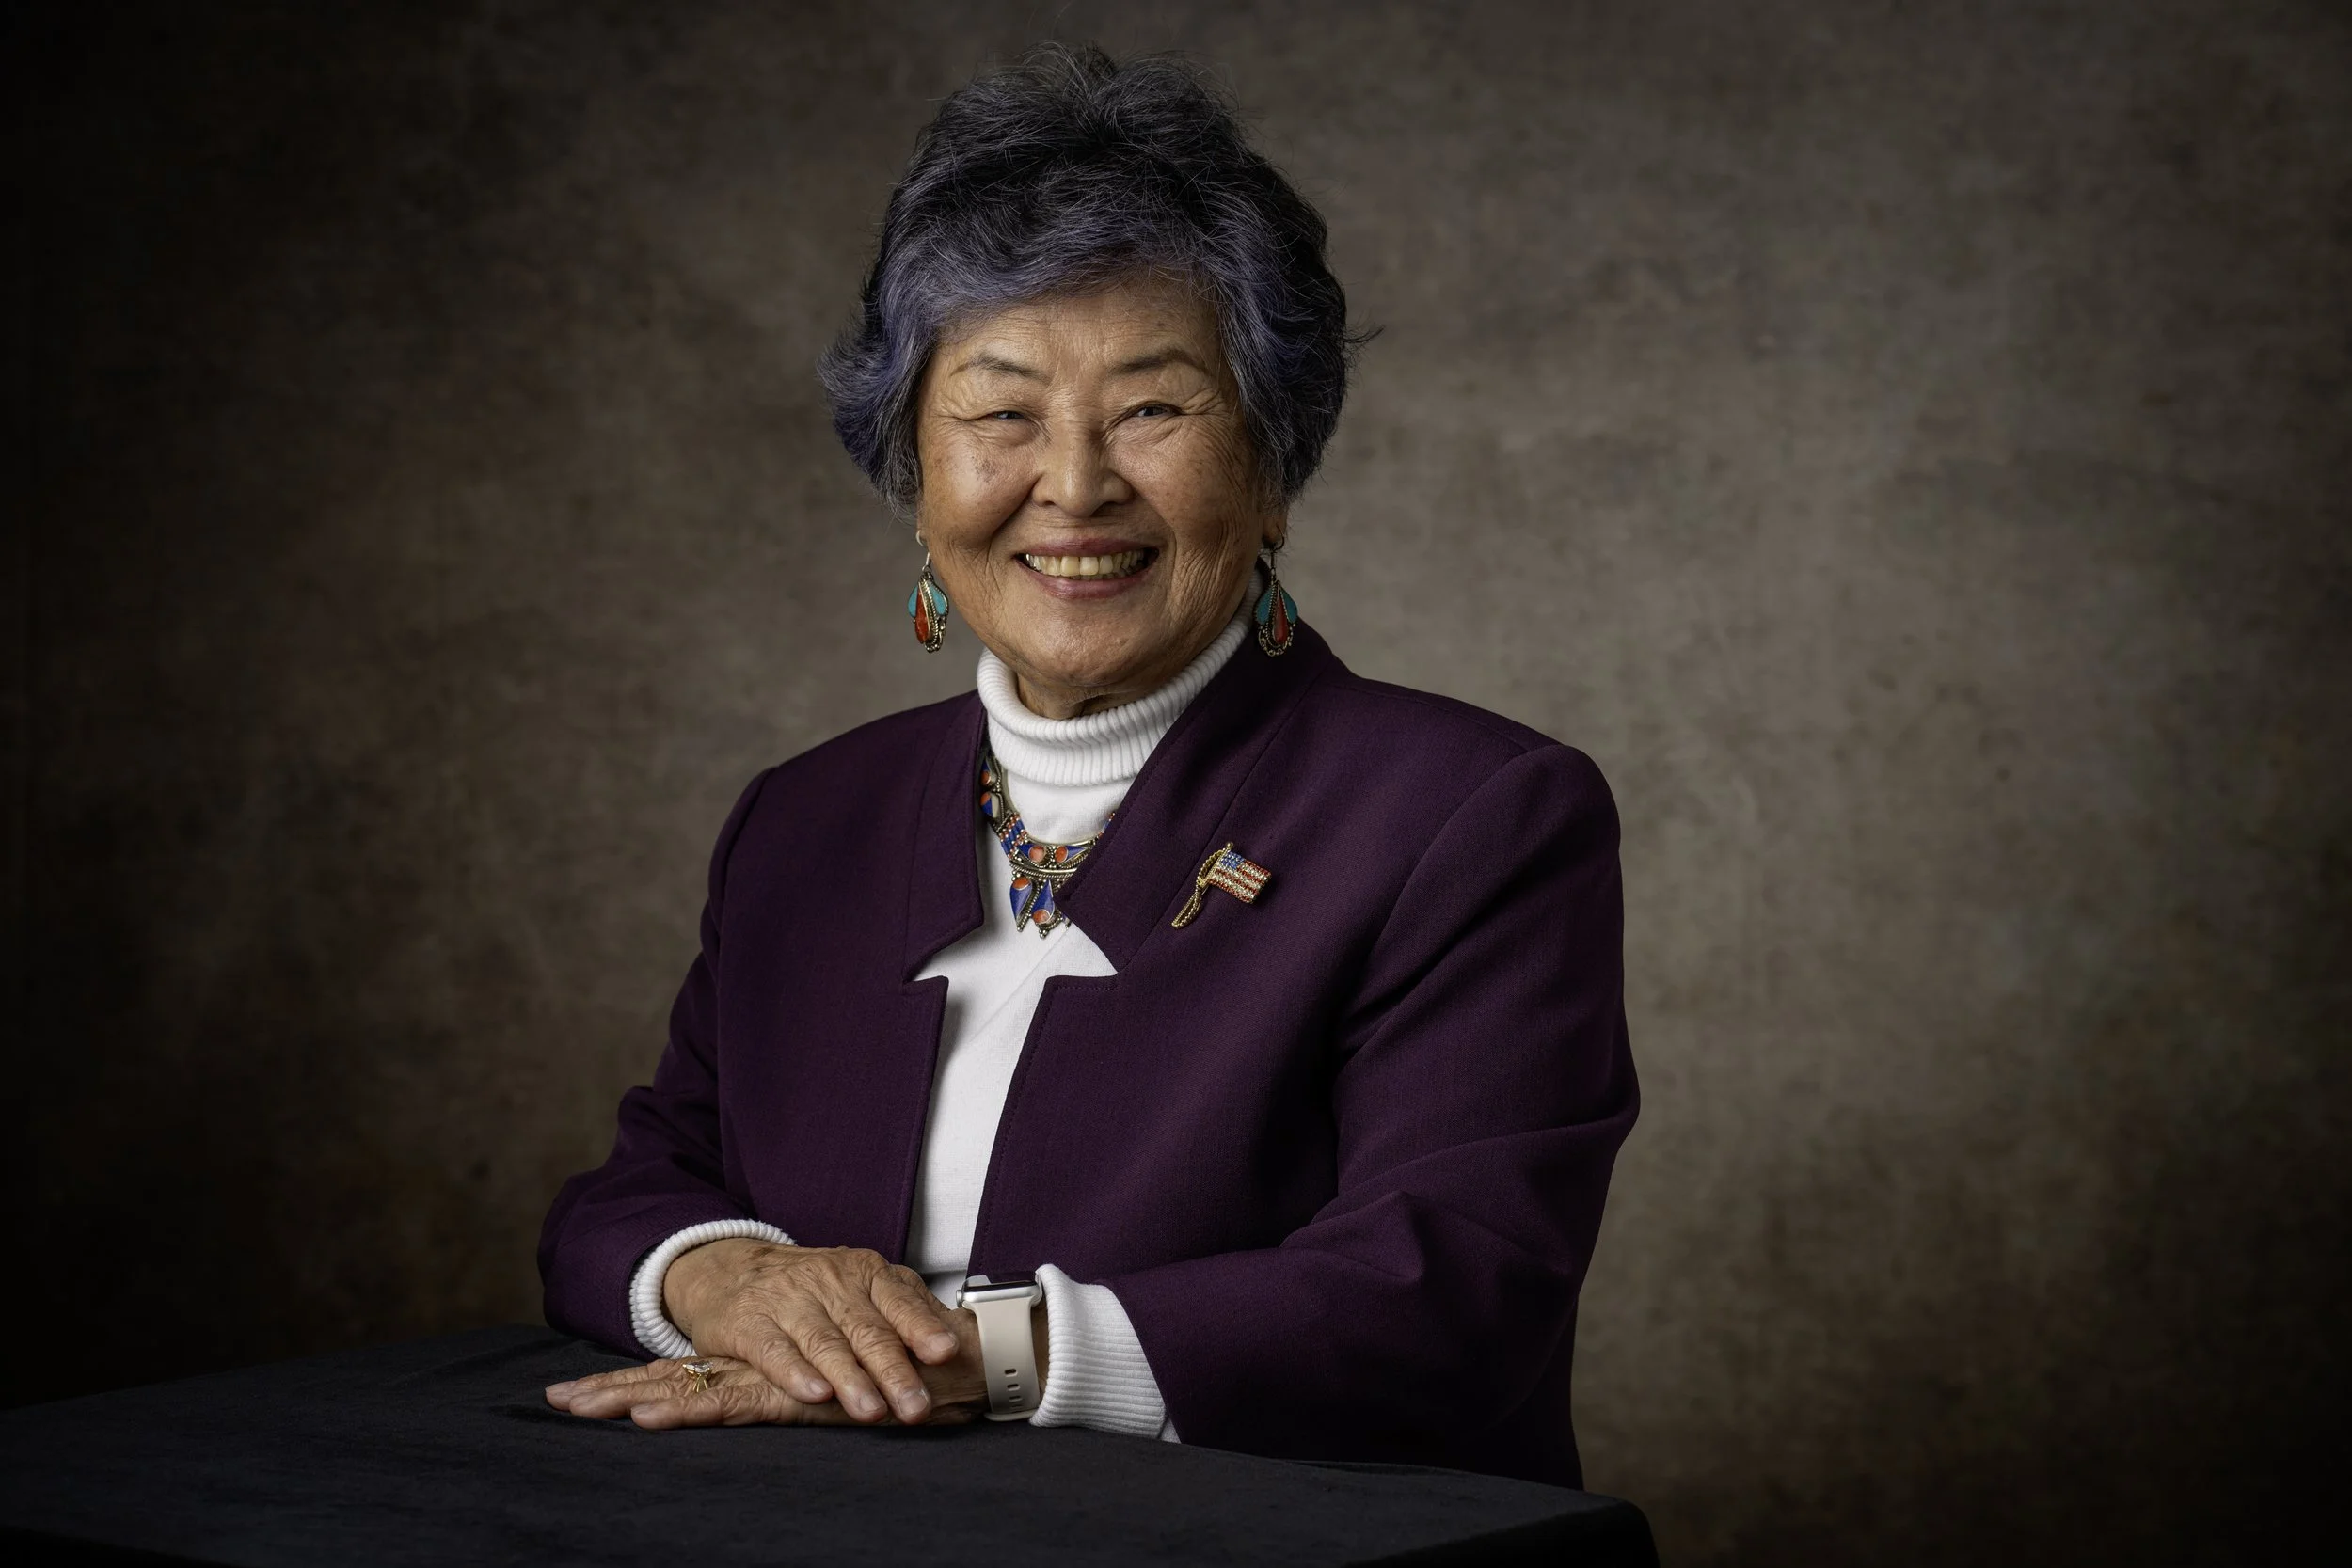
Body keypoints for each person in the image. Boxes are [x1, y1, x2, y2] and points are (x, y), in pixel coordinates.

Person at [539, 42, 1637, 1488]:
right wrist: (724, 1277)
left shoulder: (1468, 814)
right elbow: (633, 1190)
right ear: (914, 476)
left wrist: (965, 1354)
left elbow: (1451, 1290)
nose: (1072, 484)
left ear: (1272, 471)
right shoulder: (808, 819)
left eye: (1151, 407)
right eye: (1000, 411)